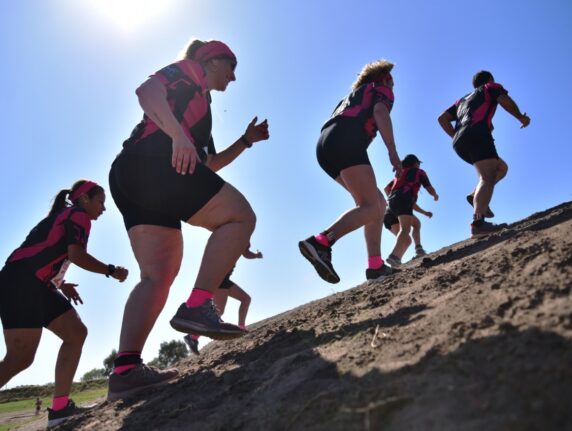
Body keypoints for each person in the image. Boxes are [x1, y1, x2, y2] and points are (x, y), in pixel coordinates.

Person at [108, 39, 269, 400]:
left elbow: (208, 164)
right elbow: (146, 91)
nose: (234, 77)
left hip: (131, 175)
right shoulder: (189, 72)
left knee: (158, 275)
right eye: (231, 66)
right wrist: (178, 136)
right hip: (151, 164)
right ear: (211, 60)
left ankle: (125, 370)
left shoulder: (201, 107)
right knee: (240, 217)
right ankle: (198, 305)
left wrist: (245, 141)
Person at [0, 180, 128, 431]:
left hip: (33, 284)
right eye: (101, 201)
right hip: (21, 283)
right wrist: (111, 270)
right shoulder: (78, 215)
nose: (103, 208)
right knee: (18, 359)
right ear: (84, 199)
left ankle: (60, 408)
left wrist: (61, 284)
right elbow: (76, 255)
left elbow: (45, 254)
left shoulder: (63, 216)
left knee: (75, 333)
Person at [298, 59, 402, 284]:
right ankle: (321, 242)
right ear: (384, 79)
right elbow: (380, 112)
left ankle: (375, 266)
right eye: (392, 82)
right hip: (345, 139)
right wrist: (392, 151)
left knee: (377, 203)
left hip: (325, 144)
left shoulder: (353, 95)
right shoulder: (381, 89)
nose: (393, 86)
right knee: (371, 206)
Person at [438, 70, 530, 237]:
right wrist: (520, 117)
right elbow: (504, 100)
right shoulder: (490, 87)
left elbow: (442, 118)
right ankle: (478, 224)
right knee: (487, 177)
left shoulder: (462, 100)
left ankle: (475, 195)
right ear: (489, 79)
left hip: (459, 142)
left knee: (500, 168)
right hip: (478, 133)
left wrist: (458, 136)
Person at [184, 245, 262, 355]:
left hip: (225, 279)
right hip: (220, 278)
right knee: (218, 312)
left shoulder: (243, 238)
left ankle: (241, 328)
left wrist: (256, 255)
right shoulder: (233, 236)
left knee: (246, 299)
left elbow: (246, 253)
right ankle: (192, 337)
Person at [384, 155, 438, 267]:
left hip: (392, 202)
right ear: (415, 163)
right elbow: (429, 187)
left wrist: (424, 213)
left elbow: (386, 188)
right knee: (405, 229)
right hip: (403, 200)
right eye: (419, 163)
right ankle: (394, 256)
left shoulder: (399, 175)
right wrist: (435, 195)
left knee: (416, 224)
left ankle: (414, 251)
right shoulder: (419, 172)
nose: (419, 165)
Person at [382, 184, 433, 259]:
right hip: (394, 211)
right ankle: (418, 248)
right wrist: (393, 199)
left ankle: (396, 260)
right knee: (415, 225)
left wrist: (424, 213)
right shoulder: (404, 182)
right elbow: (386, 188)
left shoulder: (406, 187)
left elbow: (412, 204)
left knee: (407, 240)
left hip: (388, 215)